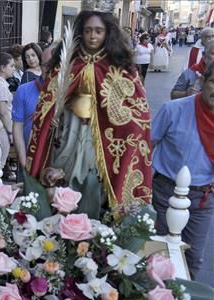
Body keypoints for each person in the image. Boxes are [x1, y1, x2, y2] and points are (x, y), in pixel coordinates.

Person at [26, 7, 152, 218]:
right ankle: (63, 212)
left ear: (107, 33)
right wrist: (52, 116)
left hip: (102, 133)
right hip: (69, 128)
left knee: (93, 174)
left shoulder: (119, 65)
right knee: (65, 169)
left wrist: (115, 120)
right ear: (80, 33)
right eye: (87, 31)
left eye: (98, 31)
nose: (92, 36)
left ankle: (95, 213)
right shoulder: (68, 62)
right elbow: (49, 99)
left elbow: (137, 109)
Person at [151, 61, 214, 279]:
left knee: (193, 258)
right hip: (164, 193)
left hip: (203, 200)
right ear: (203, 81)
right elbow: (144, 146)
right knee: (157, 252)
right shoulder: (173, 109)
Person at [12, 45, 55, 173]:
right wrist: (23, 161)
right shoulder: (23, 90)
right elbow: (17, 127)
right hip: (28, 159)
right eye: (45, 65)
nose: (49, 69)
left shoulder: (71, 94)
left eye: (53, 65)